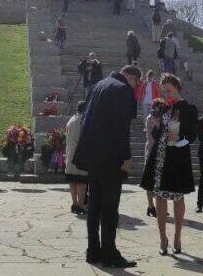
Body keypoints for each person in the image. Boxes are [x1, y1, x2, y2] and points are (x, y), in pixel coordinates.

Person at [72, 65, 139, 268]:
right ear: (131, 77)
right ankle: (110, 254)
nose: (135, 86)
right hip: (110, 156)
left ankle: (93, 251)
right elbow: (122, 125)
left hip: (93, 155)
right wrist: (126, 156)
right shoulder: (122, 88)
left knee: (94, 206)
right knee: (110, 208)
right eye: (136, 82)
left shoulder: (97, 85)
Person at [140, 75, 197, 255]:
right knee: (160, 196)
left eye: (168, 90)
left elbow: (193, 134)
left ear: (177, 88)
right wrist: (157, 126)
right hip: (160, 156)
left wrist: (180, 136)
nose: (165, 94)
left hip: (178, 156)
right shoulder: (162, 108)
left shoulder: (188, 108)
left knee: (178, 197)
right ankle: (162, 237)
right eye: (163, 91)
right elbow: (157, 135)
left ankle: (177, 236)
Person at [65, 101, 89, 214]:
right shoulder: (84, 121)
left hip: (70, 154)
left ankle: (74, 203)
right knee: (82, 181)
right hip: (81, 155)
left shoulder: (71, 120)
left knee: (72, 180)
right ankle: (80, 204)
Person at [143, 99, 165, 217]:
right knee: (149, 181)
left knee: (159, 180)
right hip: (151, 150)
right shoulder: (151, 118)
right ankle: (151, 206)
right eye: (160, 107)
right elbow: (154, 135)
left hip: (159, 151)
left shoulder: (160, 118)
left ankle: (160, 205)